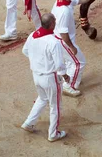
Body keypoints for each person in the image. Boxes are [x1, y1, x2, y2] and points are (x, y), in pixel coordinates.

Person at [52, 0, 102, 97]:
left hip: (58, 40)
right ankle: (69, 86)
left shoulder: (62, 0)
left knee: (69, 62)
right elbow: (63, 33)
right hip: (62, 41)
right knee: (79, 62)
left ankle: (68, 79)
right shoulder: (64, 11)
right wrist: (71, 47)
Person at [21, 13, 68, 142]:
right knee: (55, 106)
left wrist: (38, 61)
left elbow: (25, 51)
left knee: (42, 99)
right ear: (52, 24)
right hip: (50, 78)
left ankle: (29, 123)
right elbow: (59, 64)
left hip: (36, 75)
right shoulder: (54, 42)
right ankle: (53, 134)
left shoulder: (33, 35)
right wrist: (65, 76)